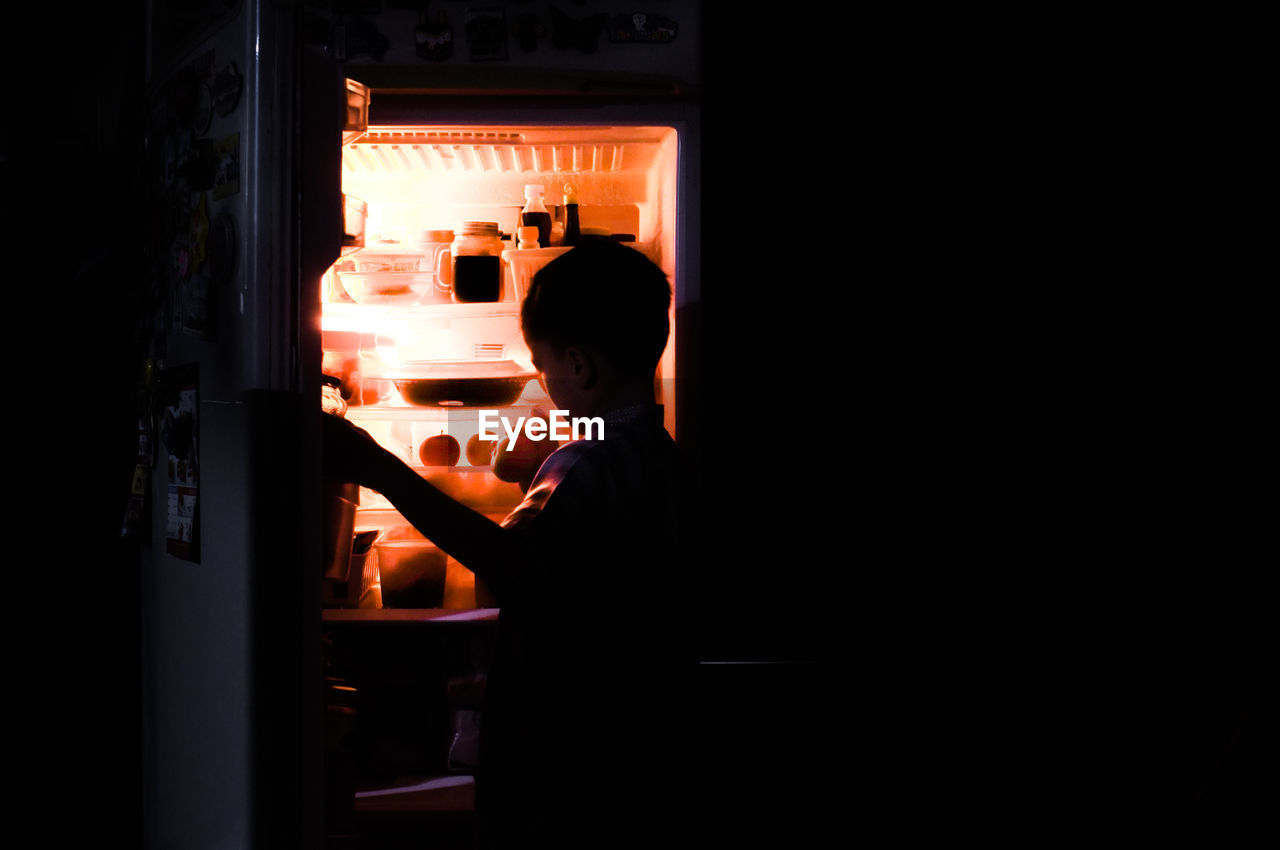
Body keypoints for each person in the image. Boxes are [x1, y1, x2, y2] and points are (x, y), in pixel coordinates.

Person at [323, 240, 700, 848]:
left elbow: (507, 564)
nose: (544, 383)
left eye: (543, 366)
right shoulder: (669, 463)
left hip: (567, 757)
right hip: (648, 751)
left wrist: (378, 467)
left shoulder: (582, 464)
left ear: (579, 367)